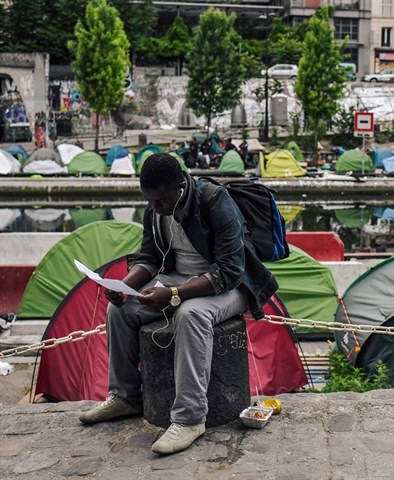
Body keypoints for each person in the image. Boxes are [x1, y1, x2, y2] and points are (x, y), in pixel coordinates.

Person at [78, 153, 278, 455]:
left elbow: (229, 271)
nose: (156, 207)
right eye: (150, 200)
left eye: (160, 201)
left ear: (180, 187)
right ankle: (125, 397)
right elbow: (148, 258)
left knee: (190, 313)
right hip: (179, 279)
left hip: (231, 286)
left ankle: (190, 418)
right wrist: (124, 286)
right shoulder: (155, 208)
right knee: (119, 310)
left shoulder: (216, 202)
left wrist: (174, 294)